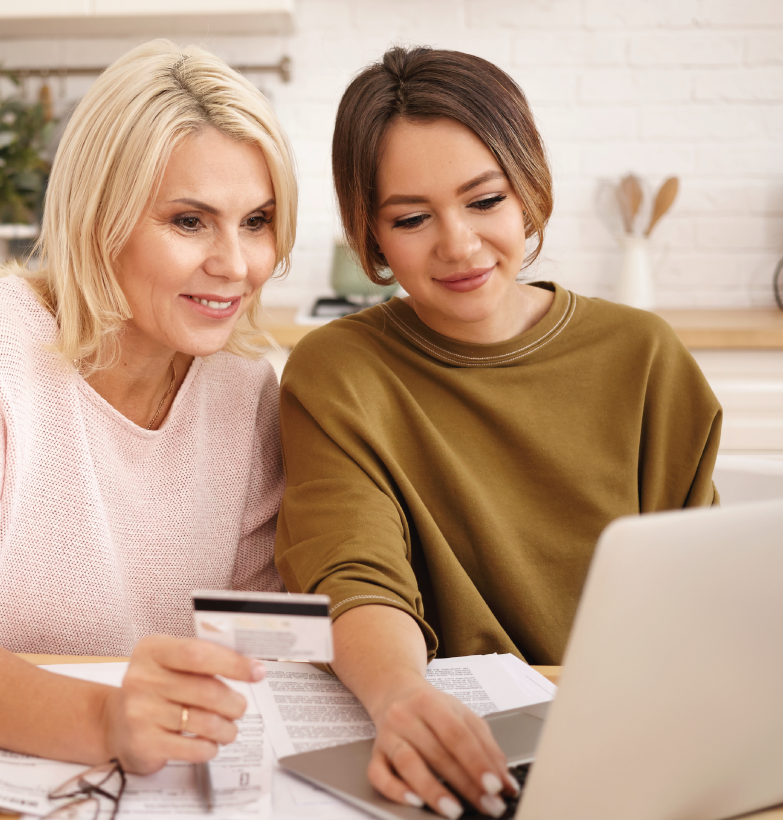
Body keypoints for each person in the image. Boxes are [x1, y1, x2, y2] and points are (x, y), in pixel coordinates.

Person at [0, 39, 297, 775]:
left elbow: (255, 645)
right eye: (190, 221)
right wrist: (102, 720)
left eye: (257, 221)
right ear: (99, 218)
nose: (236, 265)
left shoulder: (243, 387)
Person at [275, 46, 720, 819]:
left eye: (484, 201)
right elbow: (352, 572)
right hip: (466, 755)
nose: (458, 244)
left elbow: (703, 592)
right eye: (411, 218)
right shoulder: (337, 370)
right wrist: (400, 696)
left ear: (528, 191)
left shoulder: (644, 355)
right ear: (371, 237)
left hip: (641, 743)